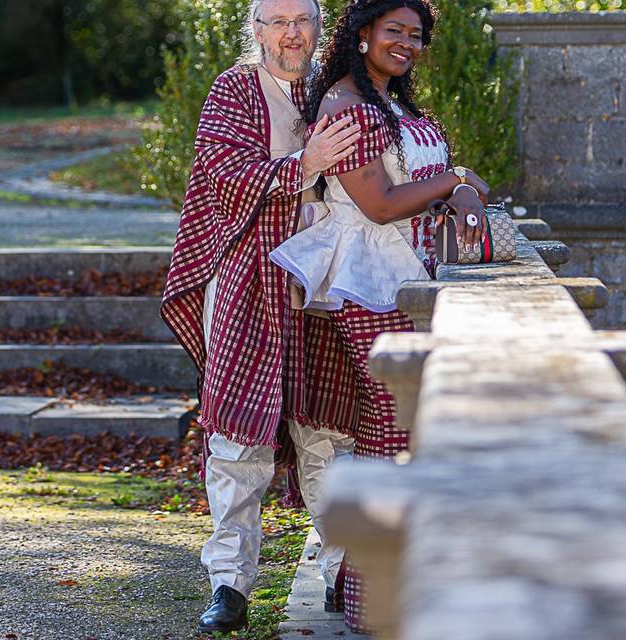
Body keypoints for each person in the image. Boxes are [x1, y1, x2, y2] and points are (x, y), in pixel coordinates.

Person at [268, 0, 489, 631]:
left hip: (406, 278)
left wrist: (456, 184)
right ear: (363, 33)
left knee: (403, 437)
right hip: (367, 281)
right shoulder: (345, 103)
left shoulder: (390, 101)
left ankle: (362, 582)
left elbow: (414, 193)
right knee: (393, 437)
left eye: (416, 35)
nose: (407, 43)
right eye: (395, 31)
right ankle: (372, 604)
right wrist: (455, 179)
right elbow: (379, 203)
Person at [159, 0, 368, 633]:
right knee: (238, 434)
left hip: (326, 284)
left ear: (318, 25)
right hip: (251, 278)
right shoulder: (235, 89)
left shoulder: (340, 90)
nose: (291, 34)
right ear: (255, 30)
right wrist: (303, 166)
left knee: (329, 429)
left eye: (301, 20)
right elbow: (223, 179)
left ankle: (339, 571)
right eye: (276, 22)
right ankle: (230, 583)